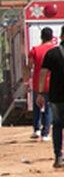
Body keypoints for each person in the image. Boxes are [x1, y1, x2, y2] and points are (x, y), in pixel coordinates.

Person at [39, 40, 64, 168]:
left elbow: (43, 74)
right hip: (57, 97)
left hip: (57, 97)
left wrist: (40, 93)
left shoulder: (52, 53)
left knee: (58, 125)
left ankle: (58, 156)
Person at [30, 28, 57, 141]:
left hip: (37, 83)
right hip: (53, 83)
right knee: (48, 108)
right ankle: (45, 133)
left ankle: (36, 129)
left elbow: (30, 66)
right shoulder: (56, 50)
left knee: (37, 106)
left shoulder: (35, 50)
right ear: (52, 37)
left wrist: (27, 80)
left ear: (41, 37)